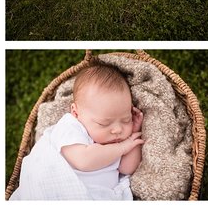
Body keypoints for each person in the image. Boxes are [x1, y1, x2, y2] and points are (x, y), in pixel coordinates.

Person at [10, 64, 144, 200]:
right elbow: (84, 161)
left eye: (126, 120)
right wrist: (122, 147)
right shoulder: (72, 127)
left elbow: (127, 169)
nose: (118, 130)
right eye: (104, 123)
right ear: (75, 112)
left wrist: (133, 137)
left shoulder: (118, 141)